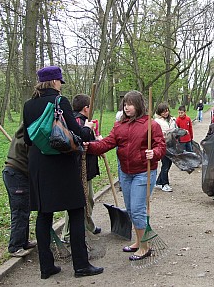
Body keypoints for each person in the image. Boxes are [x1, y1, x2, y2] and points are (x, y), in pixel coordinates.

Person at [22, 65, 103, 279]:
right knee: (76, 211)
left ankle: (46, 267)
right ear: (55, 82)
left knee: (44, 214)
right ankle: (81, 265)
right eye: (60, 82)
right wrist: (90, 128)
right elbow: (78, 133)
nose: (60, 86)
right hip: (62, 165)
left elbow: (29, 139)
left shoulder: (28, 105)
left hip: (39, 164)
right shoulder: (60, 101)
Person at [84, 90, 166, 261]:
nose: (126, 107)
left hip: (144, 171)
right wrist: (89, 146)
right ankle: (138, 241)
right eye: (125, 104)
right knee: (130, 209)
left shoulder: (151, 125)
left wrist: (155, 153)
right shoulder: (119, 125)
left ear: (138, 105)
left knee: (137, 210)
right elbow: (107, 143)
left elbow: (161, 146)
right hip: (125, 172)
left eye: (129, 104)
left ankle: (145, 247)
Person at [61, 94, 102, 243]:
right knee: (79, 201)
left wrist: (96, 142)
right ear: (86, 108)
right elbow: (78, 142)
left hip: (87, 167)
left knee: (88, 199)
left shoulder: (84, 121)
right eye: (90, 106)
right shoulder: (78, 121)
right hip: (79, 168)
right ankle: (67, 233)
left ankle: (88, 226)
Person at [2, 123, 37, 257]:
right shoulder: (27, 138)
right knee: (19, 211)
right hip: (16, 175)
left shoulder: (22, 134)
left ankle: (23, 241)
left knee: (24, 209)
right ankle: (15, 246)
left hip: (16, 174)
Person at [154, 103, 177, 192]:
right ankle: (164, 183)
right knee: (165, 164)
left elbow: (175, 129)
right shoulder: (157, 122)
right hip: (163, 145)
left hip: (171, 144)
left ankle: (159, 182)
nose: (166, 113)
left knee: (168, 164)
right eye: (163, 112)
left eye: (167, 111)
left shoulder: (172, 120)